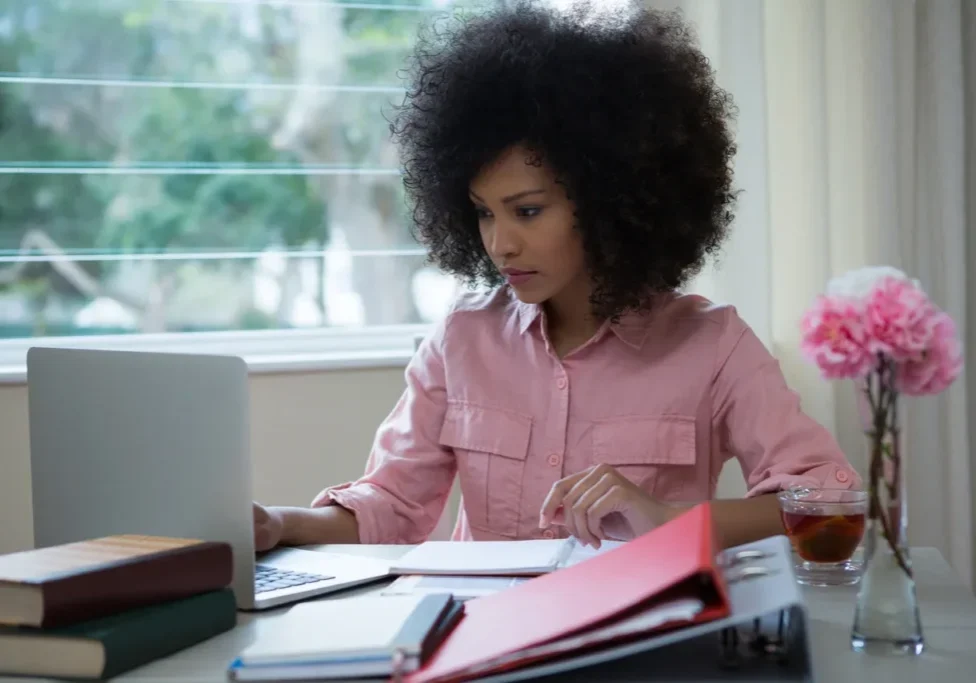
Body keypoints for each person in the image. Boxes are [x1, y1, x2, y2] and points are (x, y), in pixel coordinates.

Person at [253, 0, 860, 553]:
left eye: (527, 210)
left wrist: (668, 517)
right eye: (484, 213)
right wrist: (279, 524)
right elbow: (389, 506)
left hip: (636, 642)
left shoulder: (713, 347)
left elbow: (829, 502)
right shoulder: (462, 342)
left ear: (610, 198)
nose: (500, 242)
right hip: (480, 642)